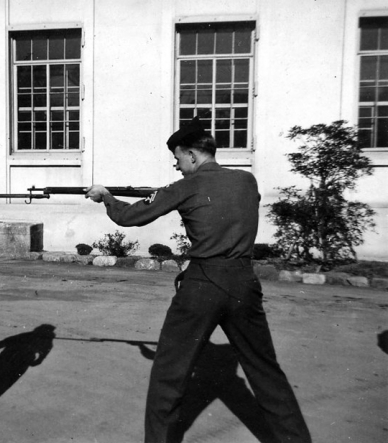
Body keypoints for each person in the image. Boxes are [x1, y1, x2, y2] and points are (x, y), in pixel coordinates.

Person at [85, 117, 312, 443]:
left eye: (177, 158)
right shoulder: (247, 181)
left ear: (192, 155)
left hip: (202, 285)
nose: (176, 165)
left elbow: (129, 216)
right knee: (266, 373)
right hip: (244, 284)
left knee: (169, 374)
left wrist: (106, 196)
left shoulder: (185, 186)